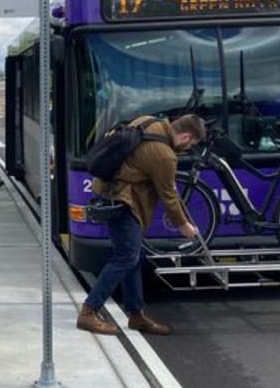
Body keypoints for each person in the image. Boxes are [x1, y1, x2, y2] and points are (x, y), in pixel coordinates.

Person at [76, 114, 206, 337]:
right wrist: (183, 225)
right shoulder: (165, 155)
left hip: (110, 193)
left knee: (132, 256)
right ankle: (88, 312)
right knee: (126, 257)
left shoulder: (147, 122)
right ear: (185, 136)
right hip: (125, 202)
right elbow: (168, 196)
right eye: (191, 143)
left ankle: (136, 314)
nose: (189, 148)